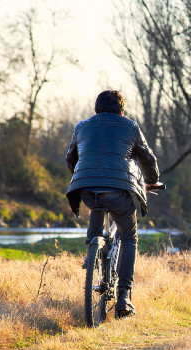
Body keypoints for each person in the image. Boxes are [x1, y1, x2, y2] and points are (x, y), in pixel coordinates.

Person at [66, 89, 162, 318]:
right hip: (119, 190)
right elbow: (147, 158)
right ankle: (124, 297)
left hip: (87, 189)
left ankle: (92, 253)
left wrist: (84, 176)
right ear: (122, 110)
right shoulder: (130, 126)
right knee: (129, 238)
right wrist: (153, 181)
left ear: (96, 109)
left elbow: (71, 157)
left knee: (97, 205)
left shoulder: (82, 126)